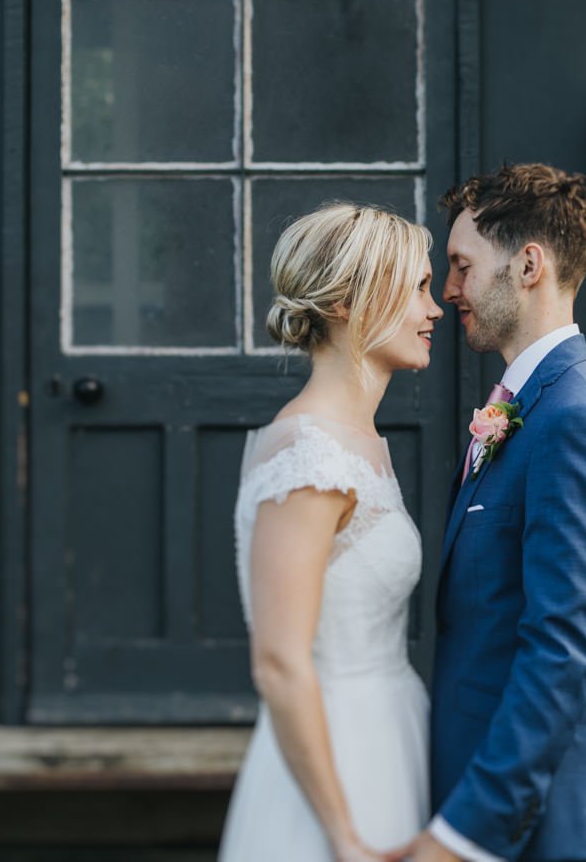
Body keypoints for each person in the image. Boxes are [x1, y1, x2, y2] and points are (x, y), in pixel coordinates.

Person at [391, 163, 586, 862]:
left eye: (460, 265)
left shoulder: (578, 419)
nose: (447, 291)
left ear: (528, 264)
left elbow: (561, 652)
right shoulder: (527, 406)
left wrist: (463, 833)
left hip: (543, 827)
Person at [219, 203, 443, 862]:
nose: (434, 310)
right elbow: (280, 661)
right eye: (419, 289)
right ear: (348, 301)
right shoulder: (311, 455)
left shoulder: (360, 443)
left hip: (390, 733)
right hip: (339, 762)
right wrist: (344, 835)